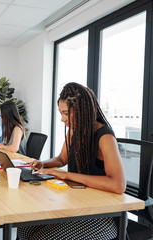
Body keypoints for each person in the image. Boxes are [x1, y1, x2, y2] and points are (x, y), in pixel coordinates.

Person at [17, 82, 126, 240]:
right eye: (61, 113)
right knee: (24, 230)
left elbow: (118, 185)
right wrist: (43, 164)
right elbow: (62, 159)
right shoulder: (75, 130)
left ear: (82, 111)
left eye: (66, 114)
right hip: (80, 205)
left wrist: (68, 176)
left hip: (105, 215)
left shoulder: (105, 137)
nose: (62, 119)